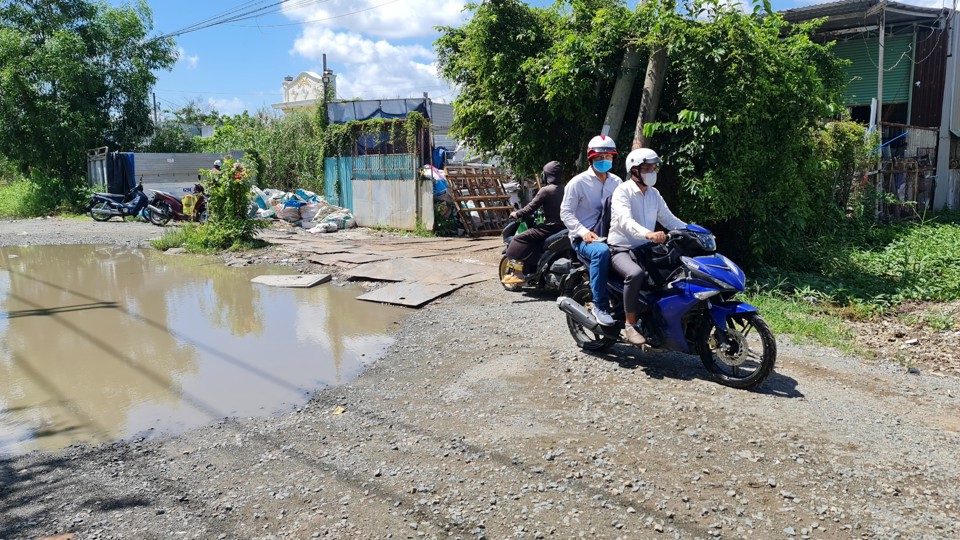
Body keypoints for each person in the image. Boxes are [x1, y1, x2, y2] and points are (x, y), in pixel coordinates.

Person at [607, 148, 687, 345]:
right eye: (647, 168)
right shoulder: (622, 191)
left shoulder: (654, 194)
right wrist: (648, 234)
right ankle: (630, 325)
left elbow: (669, 219)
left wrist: (694, 231)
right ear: (634, 170)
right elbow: (625, 221)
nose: (652, 172)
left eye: (654, 168)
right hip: (621, 248)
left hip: (645, 248)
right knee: (635, 274)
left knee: (675, 272)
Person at [560, 134, 622, 326]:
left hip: (611, 236)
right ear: (591, 158)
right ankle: (599, 306)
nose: (604, 161)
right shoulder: (578, 183)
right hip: (585, 240)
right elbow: (566, 213)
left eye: (608, 157)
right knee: (601, 253)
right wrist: (582, 231)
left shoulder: (617, 182)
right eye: (599, 158)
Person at [502, 161, 566, 285]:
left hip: (550, 229)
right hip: (565, 227)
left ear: (546, 175)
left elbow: (530, 208)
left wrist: (516, 213)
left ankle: (517, 274)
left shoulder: (546, 190)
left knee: (518, 239)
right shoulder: (566, 189)